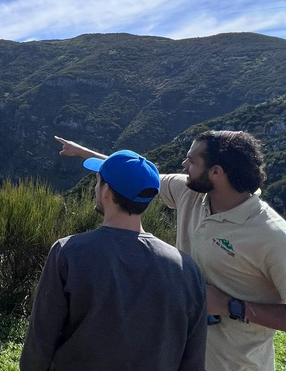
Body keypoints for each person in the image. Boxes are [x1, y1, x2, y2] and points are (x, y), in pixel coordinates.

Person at [55, 132, 286, 371]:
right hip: (176, 356)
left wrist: (232, 306)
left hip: (234, 365)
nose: (184, 164)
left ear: (216, 172)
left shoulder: (272, 236)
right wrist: (83, 152)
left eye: (192, 161)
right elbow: (133, 176)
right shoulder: (188, 192)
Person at [20, 149, 207, 371]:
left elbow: (41, 340)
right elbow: (193, 358)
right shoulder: (187, 269)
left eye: (97, 181)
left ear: (106, 190)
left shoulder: (68, 252)